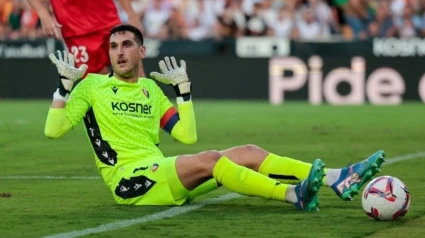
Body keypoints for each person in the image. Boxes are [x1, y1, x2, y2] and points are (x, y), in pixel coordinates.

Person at [44, 24, 386, 210]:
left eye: (127, 45)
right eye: (114, 46)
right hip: (130, 182)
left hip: (163, 172)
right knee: (210, 159)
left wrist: (183, 93)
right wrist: (63, 89)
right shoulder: (91, 87)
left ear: (142, 51)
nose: (119, 52)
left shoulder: (150, 88)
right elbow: (53, 131)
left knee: (249, 151)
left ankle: (337, 177)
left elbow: (186, 136)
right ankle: (292, 195)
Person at [28, 0, 146, 77]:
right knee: (99, 88)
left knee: (136, 75)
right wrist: (43, 14)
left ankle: (151, 113)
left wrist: (131, 14)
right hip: (76, 30)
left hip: (108, 20)